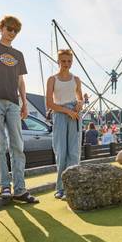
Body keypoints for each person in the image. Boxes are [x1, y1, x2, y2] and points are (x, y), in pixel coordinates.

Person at [0, 15, 39, 203]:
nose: (12, 33)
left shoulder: (18, 55)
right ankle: (5, 186)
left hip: (13, 103)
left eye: (15, 30)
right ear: (1, 28)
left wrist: (24, 103)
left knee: (17, 146)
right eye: (9, 29)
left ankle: (20, 189)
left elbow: (21, 81)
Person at [46, 49, 83, 200]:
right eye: (63, 61)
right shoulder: (52, 79)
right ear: (58, 61)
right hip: (60, 115)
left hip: (75, 115)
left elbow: (80, 98)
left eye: (69, 61)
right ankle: (60, 188)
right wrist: (67, 112)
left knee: (74, 153)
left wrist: (80, 104)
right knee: (61, 152)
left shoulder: (76, 79)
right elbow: (49, 103)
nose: (66, 64)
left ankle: (72, 187)